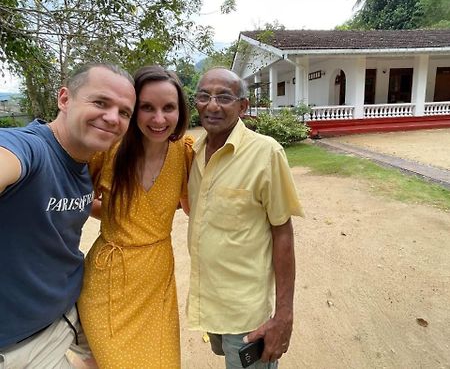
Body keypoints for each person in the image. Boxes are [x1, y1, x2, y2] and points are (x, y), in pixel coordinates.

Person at [0, 63, 136, 368]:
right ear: (64, 99)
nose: (113, 117)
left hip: (72, 311)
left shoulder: (84, 163)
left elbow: (81, 205)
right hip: (22, 343)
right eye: (100, 102)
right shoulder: (30, 149)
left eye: (124, 112)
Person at [77, 65, 193, 369]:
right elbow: (78, 200)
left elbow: (192, 206)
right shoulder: (110, 148)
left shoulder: (186, 153)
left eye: (168, 108)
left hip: (156, 281)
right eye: (147, 108)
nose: (158, 119)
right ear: (133, 110)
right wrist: (118, 218)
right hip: (107, 279)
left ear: (180, 110)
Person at [187, 68, 303, 368]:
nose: (212, 105)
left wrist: (284, 315)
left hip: (247, 316)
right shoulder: (193, 152)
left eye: (224, 97)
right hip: (210, 304)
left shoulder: (266, 153)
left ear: (243, 106)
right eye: (204, 96)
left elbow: (283, 233)